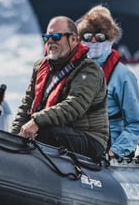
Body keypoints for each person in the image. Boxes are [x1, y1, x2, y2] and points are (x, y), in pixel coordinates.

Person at [11, 16, 109, 159]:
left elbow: (74, 106)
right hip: (58, 129)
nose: (50, 41)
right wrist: (12, 138)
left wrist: (37, 121)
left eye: (56, 36)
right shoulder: (40, 67)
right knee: (36, 133)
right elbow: (27, 104)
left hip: (89, 138)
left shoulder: (89, 70)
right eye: (47, 37)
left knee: (46, 134)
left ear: (73, 40)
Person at [75, 4, 139, 158]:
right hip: (79, 138)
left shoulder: (123, 76)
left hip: (107, 142)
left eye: (100, 37)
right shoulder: (75, 70)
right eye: (87, 37)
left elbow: (136, 123)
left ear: (110, 38)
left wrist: (115, 151)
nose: (93, 42)